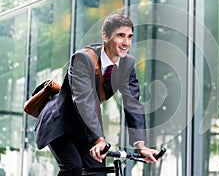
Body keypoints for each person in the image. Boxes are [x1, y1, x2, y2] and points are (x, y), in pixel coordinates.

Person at [34, 13, 159, 175]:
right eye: (120, 36)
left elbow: (133, 104)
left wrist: (141, 146)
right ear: (105, 36)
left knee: (98, 170)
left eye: (130, 37)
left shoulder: (127, 64)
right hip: (59, 121)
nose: (126, 43)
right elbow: (84, 101)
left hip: (84, 126)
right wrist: (99, 139)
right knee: (73, 166)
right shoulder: (82, 59)